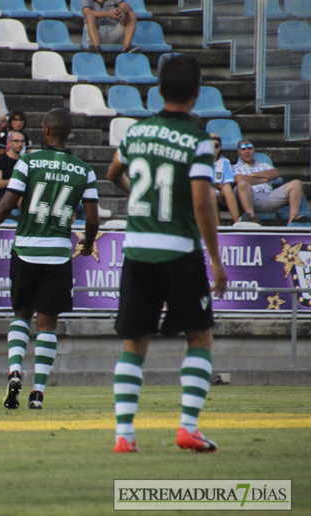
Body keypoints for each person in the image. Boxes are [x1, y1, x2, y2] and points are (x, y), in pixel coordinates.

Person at [106, 54, 227, 453]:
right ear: (197, 93)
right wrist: (215, 258)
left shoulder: (136, 133)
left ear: (157, 89)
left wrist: (139, 200)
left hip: (138, 249)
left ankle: (124, 436)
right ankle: (187, 427)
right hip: (178, 251)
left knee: (134, 340)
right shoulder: (197, 140)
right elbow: (203, 203)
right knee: (199, 335)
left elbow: (112, 173)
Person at [0, 109, 100, 410]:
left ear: (46, 130)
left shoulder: (28, 162)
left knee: (21, 314)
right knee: (47, 324)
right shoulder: (84, 170)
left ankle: (14, 372)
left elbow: (4, 205)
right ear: (69, 133)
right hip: (57, 255)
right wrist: (88, 245)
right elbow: (92, 219)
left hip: (25, 250)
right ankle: (38, 393)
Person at [233, 140, 309, 225]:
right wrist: (263, 179)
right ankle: (251, 218)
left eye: (249, 148)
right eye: (243, 149)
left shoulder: (263, 165)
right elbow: (239, 179)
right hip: (251, 198)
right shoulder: (234, 167)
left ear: (254, 150)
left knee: (297, 184)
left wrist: (251, 175)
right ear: (238, 152)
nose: (247, 151)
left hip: (270, 196)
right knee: (242, 184)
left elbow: (275, 174)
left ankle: (292, 220)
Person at [0, 130, 26, 211]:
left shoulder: (25, 161)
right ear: (9, 143)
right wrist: (16, 181)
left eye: (22, 141)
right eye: (16, 141)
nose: (20, 144)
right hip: (2, 196)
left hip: (21, 196)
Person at [209, 132, 239, 225]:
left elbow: (228, 184)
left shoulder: (225, 162)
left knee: (226, 188)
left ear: (220, 148)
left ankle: (238, 223)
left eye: (216, 146)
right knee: (210, 191)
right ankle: (218, 227)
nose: (213, 149)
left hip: (221, 198)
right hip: (206, 197)